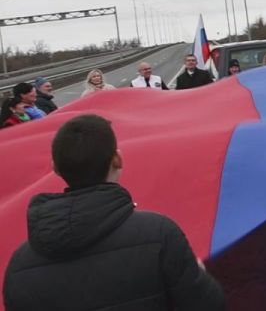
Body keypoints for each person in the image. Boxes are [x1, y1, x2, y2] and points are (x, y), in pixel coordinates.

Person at [2, 114, 226, 310]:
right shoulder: (160, 235)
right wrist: (198, 275)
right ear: (118, 159)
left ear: (56, 168)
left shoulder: (19, 267)